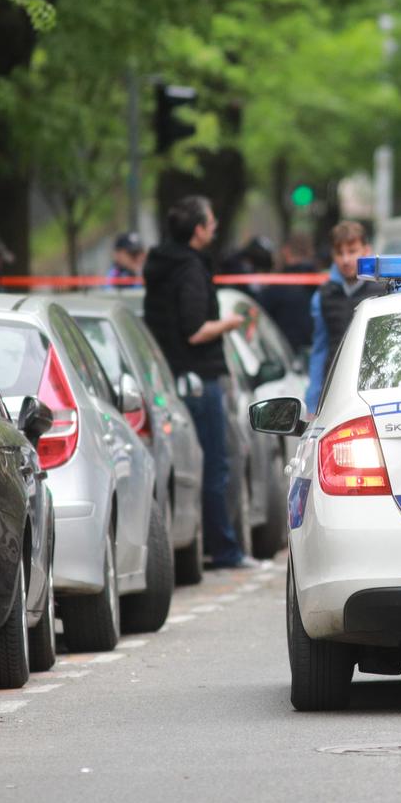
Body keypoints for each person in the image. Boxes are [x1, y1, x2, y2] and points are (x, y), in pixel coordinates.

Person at [142, 196, 252, 569]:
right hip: (201, 378)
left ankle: (212, 546)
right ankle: (224, 550)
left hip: (177, 376)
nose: (216, 225)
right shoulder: (190, 269)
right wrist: (231, 323)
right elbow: (195, 329)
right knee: (216, 465)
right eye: (211, 221)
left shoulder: (164, 265)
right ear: (198, 229)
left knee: (195, 466)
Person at [306, 221, 388, 414]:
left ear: (366, 250)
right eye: (339, 253)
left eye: (352, 251)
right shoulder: (323, 295)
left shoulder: (387, 290)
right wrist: (312, 402)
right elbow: (320, 350)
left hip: (378, 387)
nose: (345, 260)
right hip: (334, 390)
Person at [257, 231, 319, 354]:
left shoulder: (276, 287)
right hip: (317, 355)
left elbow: (258, 316)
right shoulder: (322, 285)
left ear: (286, 251)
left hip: (285, 356)